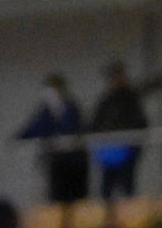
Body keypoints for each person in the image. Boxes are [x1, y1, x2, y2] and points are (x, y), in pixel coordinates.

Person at [16, 73, 87, 205]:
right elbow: (35, 127)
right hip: (56, 159)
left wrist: (56, 125)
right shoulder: (46, 110)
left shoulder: (71, 107)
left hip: (74, 159)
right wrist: (17, 139)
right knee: (57, 198)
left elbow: (70, 127)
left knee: (76, 197)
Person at [90, 60, 146, 200]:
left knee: (127, 188)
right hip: (108, 150)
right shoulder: (106, 100)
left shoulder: (130, 98)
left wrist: (130, 143)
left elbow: (140, 123)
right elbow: (94, 123)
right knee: (106, 189)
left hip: (127, 149)